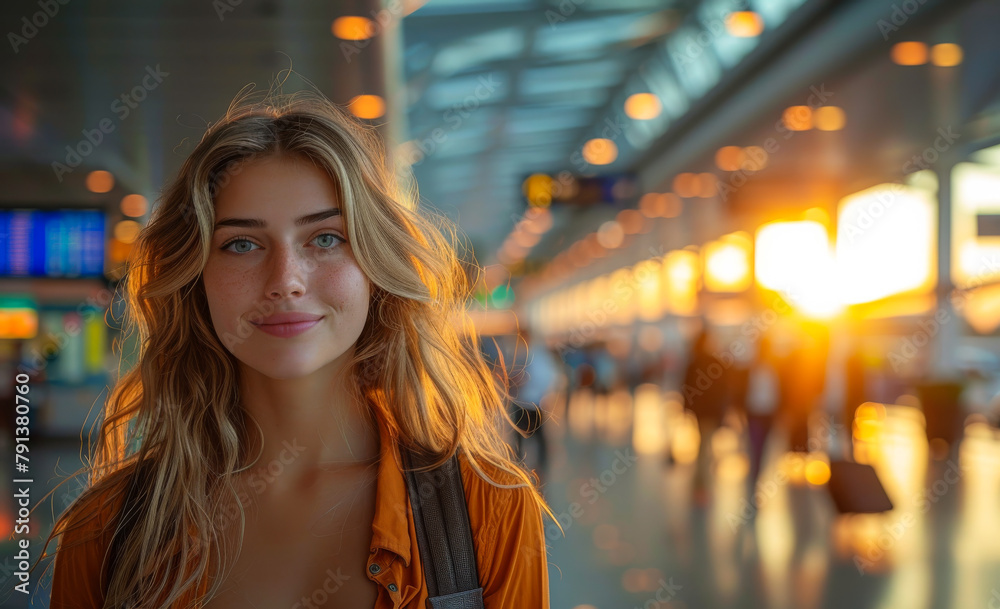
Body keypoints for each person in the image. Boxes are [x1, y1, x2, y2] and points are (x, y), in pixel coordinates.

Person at [38, 89, 552, 608]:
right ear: (196, 279)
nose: (286, 281)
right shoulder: (108, 529)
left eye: (325, 238)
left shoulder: (487, 512)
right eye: (242, 244)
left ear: (375, 268)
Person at [509, 327, 558, 472]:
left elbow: (541, 377)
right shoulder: (527, 353)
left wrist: (522, 381)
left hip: (532, 401)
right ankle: (523, 462)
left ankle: (537, 463)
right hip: (525, 401)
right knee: (523, 435)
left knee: (533, 435)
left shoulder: (534, 355)